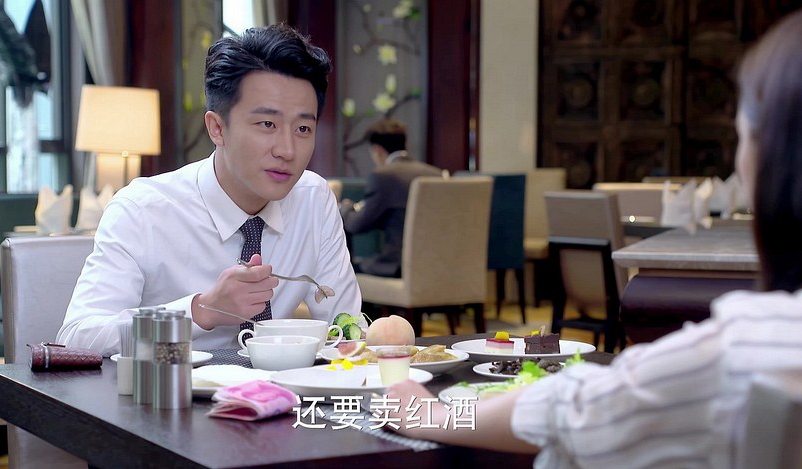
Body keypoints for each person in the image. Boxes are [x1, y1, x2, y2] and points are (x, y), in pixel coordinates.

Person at [384, 10, 802, 468]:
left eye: (742, 137)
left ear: (772, 161)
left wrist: (434, 414)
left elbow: (579, 411)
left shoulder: (742, 350)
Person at [58, 24, 362, 356]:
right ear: (217, 128)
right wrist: (201, 310)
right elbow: (78, 337)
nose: (287, 150)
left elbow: (347, 330)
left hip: (278, 388)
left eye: (303, 128)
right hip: (168, 387)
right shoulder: (142, 210)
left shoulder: (313, 200)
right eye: (267, 124)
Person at [340, 118, 443, 277]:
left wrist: (345, 208)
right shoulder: (436, 174)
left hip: (396, 266)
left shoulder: (384, 176)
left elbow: (357, 224)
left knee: (349, 272)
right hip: (434, 264)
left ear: (377, 150)